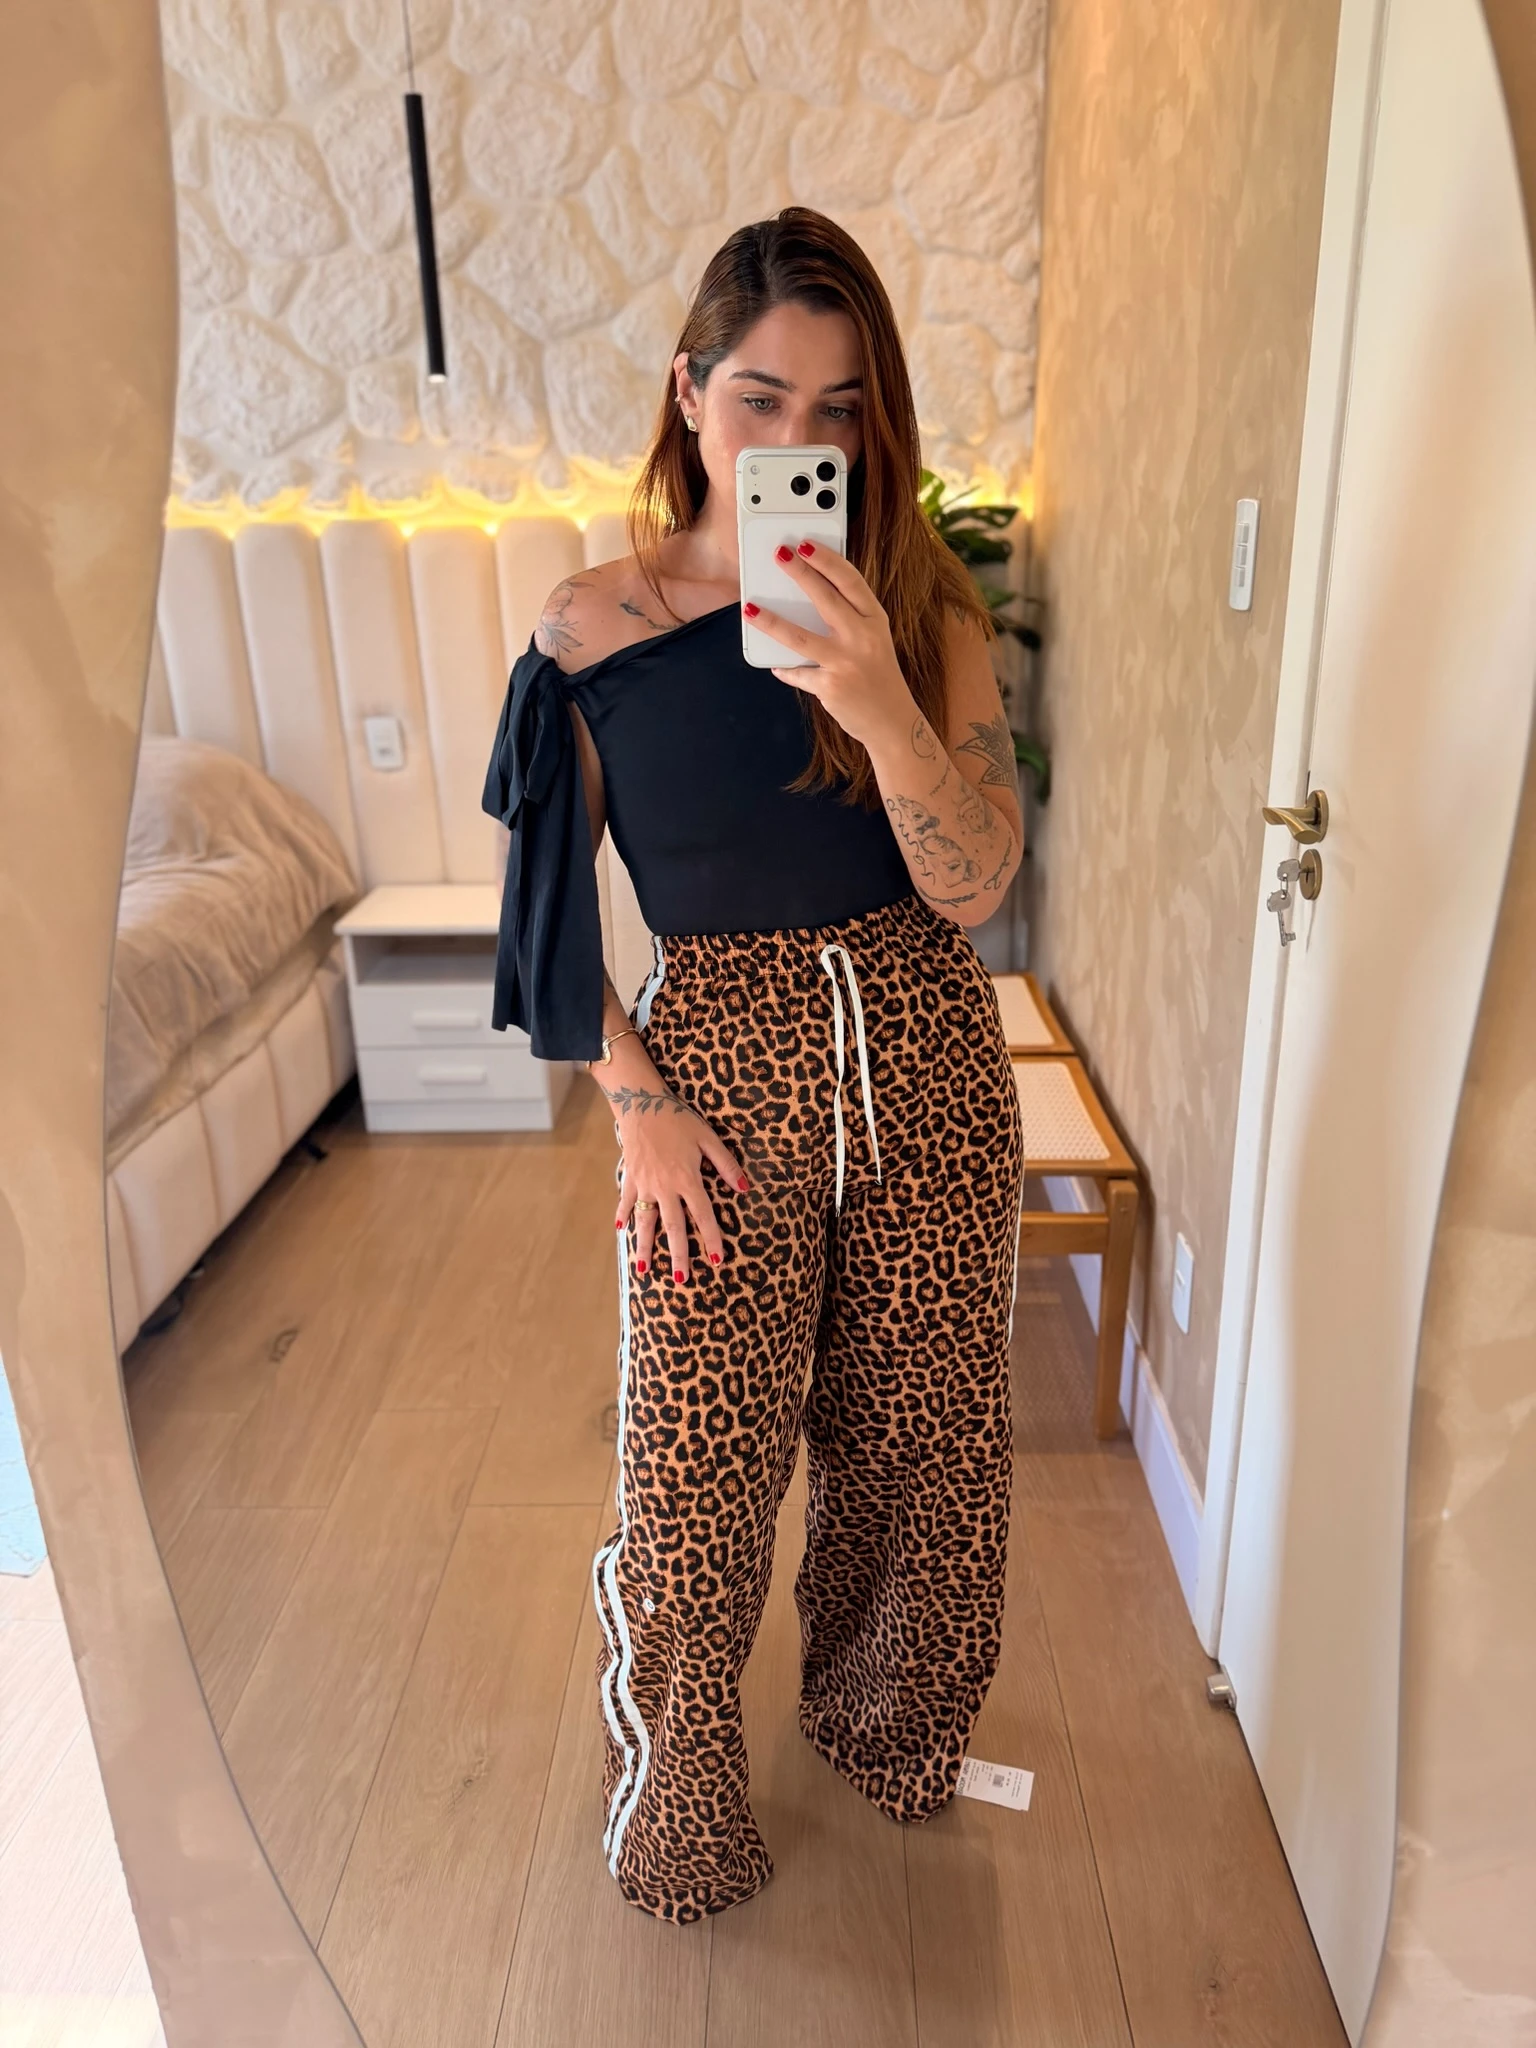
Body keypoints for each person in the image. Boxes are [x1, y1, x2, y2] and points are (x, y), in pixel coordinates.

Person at [483, 206, 1027, 1924]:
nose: (802, 437)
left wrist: (876, 695)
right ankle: (681, 1806)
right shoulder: (594, 630)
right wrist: (637, 1110)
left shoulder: (923, 612)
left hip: (929, 1063)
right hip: (717, 1082)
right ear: (689, 394)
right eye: (763, 398)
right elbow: (545, 922)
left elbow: (976, 885)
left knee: (924, 1447)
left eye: (842, 407)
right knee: (695, 1476)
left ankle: (887, 1730)